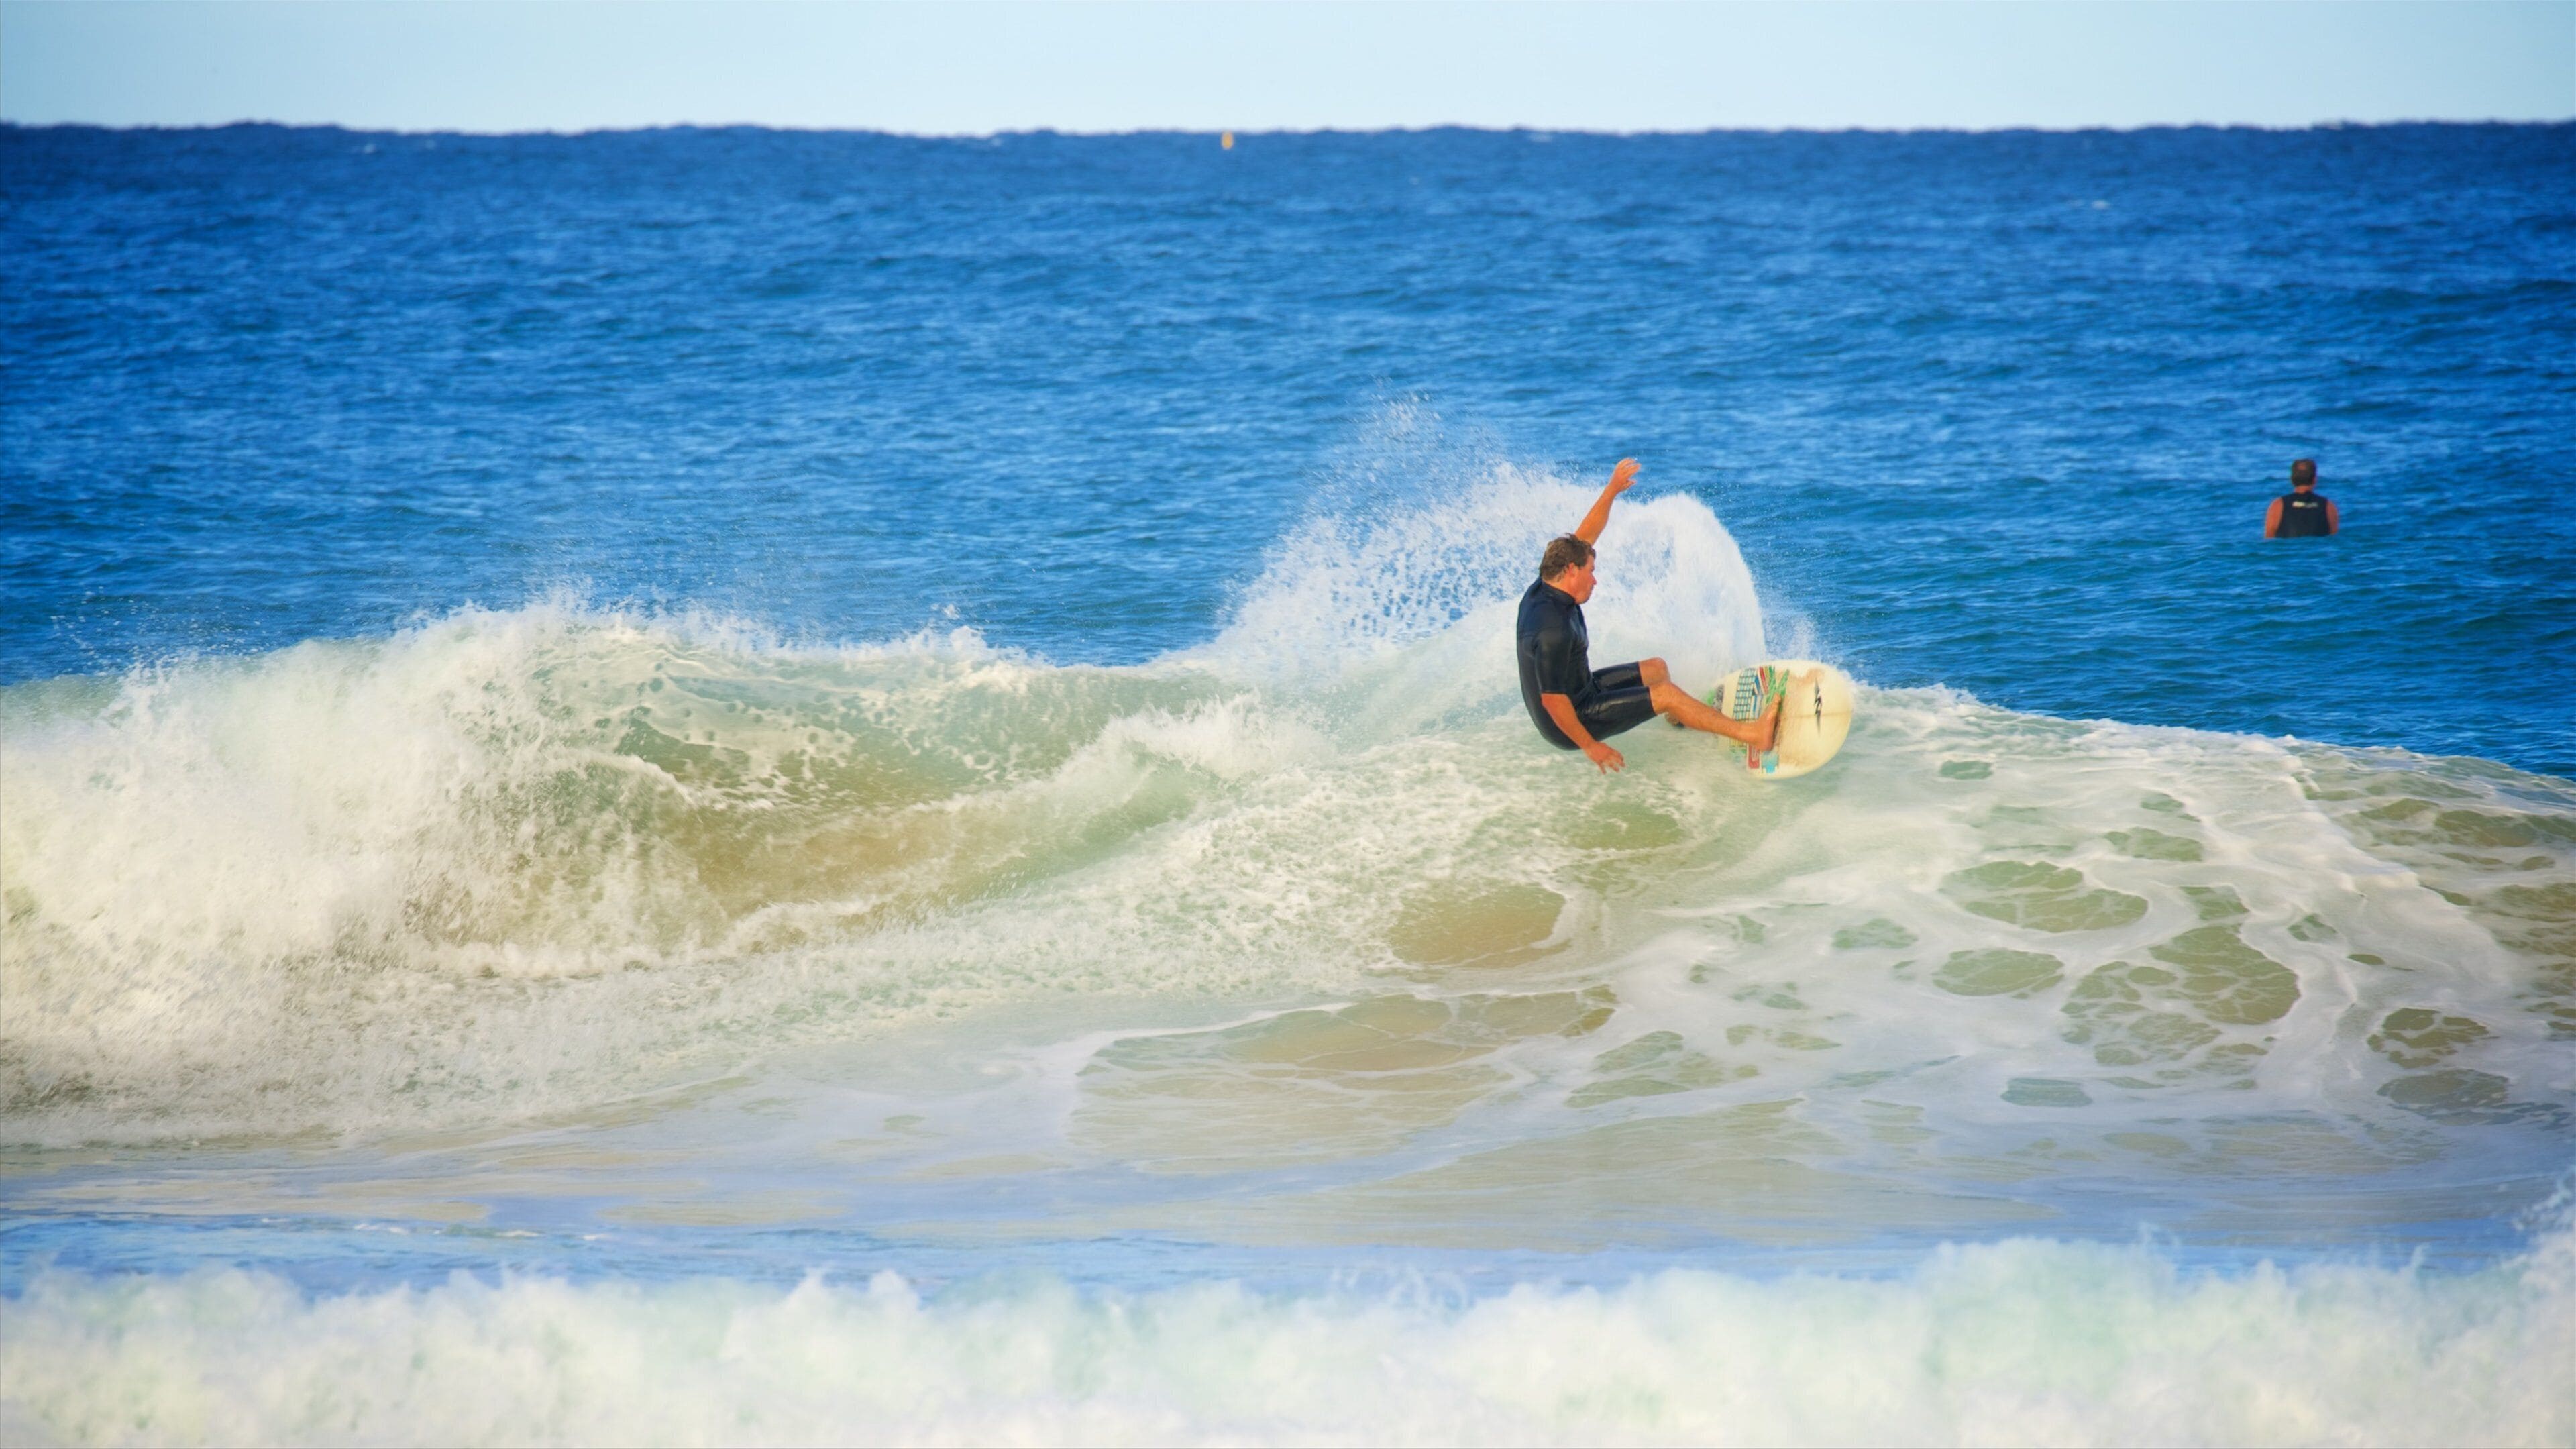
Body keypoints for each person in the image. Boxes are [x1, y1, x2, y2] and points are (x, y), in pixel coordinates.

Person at [1515, 458, 1786, 773]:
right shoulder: (1552, 629)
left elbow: (1586, 534)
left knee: (1657, 669)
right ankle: (1753, 735)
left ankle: (1681, 715)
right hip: (1573, 720)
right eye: (1591, 572)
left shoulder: (1549, 580)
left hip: (1584, 688)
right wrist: (1591, 746)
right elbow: (1553, 702)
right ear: (1572, 571)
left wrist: (1612, 490)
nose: (1595, 580)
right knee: (1666, 694)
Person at [2264, 458, 2339, 539]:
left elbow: (2269, 542)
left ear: (2291, 479)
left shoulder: (2277, 506)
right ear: (2315, 479)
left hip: (2288, 550)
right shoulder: (2329, 506)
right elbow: (2333, 540)